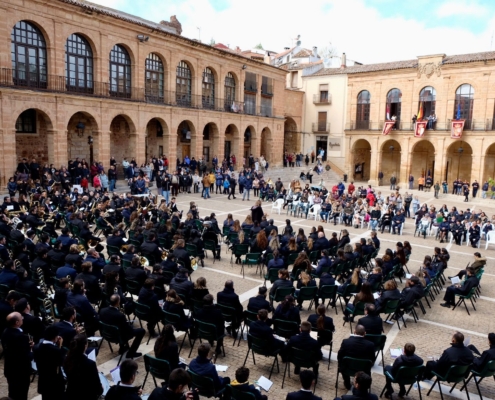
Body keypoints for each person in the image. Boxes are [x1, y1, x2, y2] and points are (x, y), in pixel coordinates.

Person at [1, 312, 33, 400]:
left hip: (10, 369)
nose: (23, 318)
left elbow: (15, 349)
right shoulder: (20, 337)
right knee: (21, 394)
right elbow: (27, 356)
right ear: (17, 323)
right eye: (21, 318)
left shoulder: (5, 331)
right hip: (20, 372)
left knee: (12, 392)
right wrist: (32, 351)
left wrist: (26, 346)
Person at [33, 325, 66, 400]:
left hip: (43, 381)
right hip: (55, 383)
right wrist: (59, 346)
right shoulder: (56, 351)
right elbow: (61, 362)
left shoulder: (36, 347)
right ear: (55, 337)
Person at [337, 325, 375, 389]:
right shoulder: (370, 345)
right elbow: (372, 359)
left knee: (342, 364)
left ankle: (347, 383)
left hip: (347, 368)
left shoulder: (346, 342)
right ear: (365, 333)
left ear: (354, 332)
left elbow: (339, 355)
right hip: (363, 370)